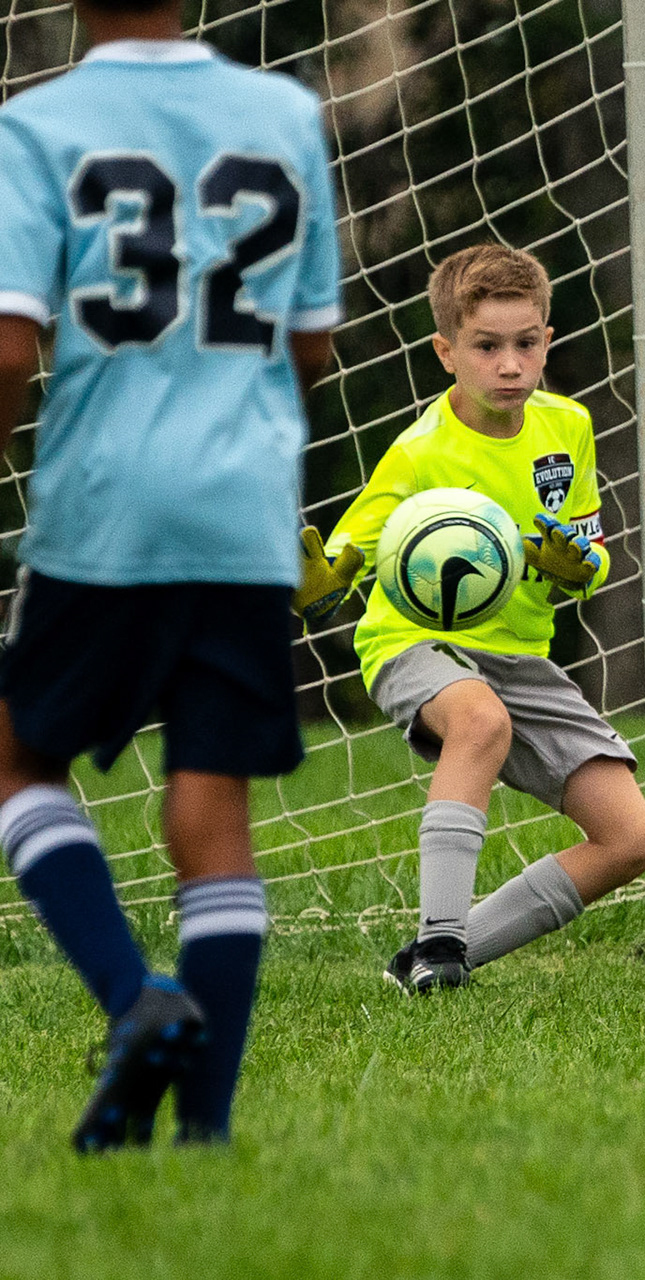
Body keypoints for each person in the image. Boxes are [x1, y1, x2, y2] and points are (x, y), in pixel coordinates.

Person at [0, 0, 341, 1148]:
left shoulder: (40, 123)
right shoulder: (284, 112)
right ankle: (202, 1128)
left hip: (106, 505)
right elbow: (311, 341)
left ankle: (135, 996)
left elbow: (7, 340)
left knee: (15, 758)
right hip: (244, 508)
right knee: (212, 805)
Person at [296, 243, 645, 995]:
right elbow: (350, 553)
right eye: (487, 346)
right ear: (446, 351)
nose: (509, 364)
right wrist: (322, 580)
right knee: (479, 722)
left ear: (547, 342)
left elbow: (590, 558)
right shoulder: (420, 452)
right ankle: (439, 939)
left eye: (526, 344)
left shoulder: (568, 427)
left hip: (520, 656)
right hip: (413, 642)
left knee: (632, 839)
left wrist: (575, 569)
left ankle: (429, 964)